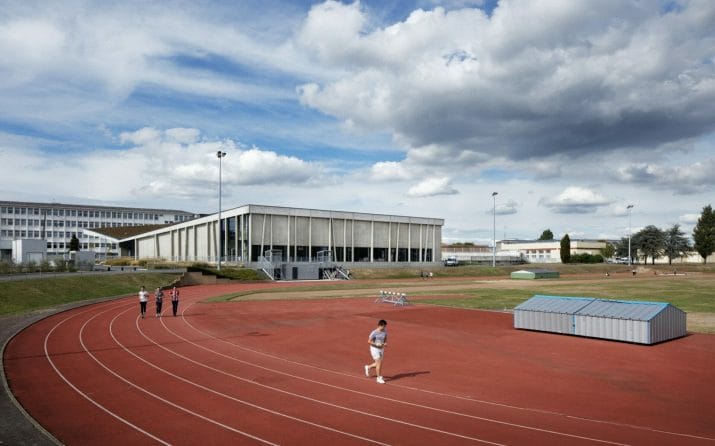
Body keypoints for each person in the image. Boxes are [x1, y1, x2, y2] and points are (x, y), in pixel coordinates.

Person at [364, 319, 388, 384]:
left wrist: (385, 343)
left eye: (385, 326)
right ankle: (378, 378)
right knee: (379, 363)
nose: (384, 328)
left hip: (381, 349)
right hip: (375, 349)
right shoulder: (374, 332)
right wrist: (376, 344)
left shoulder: (385, 332)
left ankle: (368, 367)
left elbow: (385, 339)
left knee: (378, 363)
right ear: (380, 325)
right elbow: (369, 341)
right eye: (383, 326)